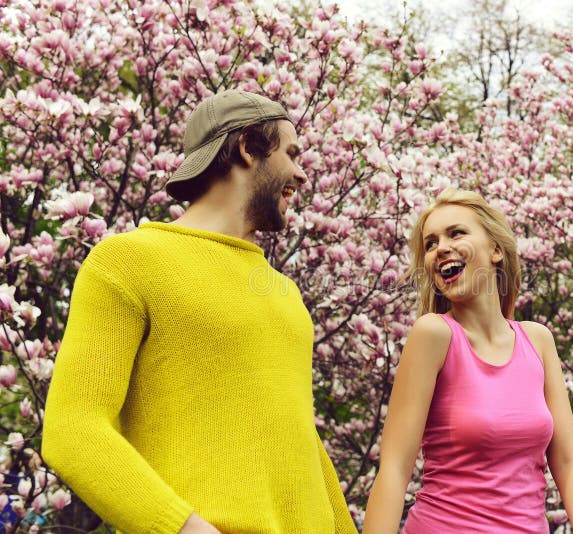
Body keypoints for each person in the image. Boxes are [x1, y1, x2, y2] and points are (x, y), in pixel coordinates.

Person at [42, 90, 358, 534]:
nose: (302, 174)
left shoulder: (286, 295)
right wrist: (184, 529)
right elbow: (73, 430)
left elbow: (304, 445)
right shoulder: (128, 261)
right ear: (249, 147)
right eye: (291, 153)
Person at [363, 189, 573, 533]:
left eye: (456, 233)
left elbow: (568, 461)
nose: (441, 247)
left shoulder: (538, 341)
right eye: (430, 244)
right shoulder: (434, 335)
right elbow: (395, 468)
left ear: (495, 250)